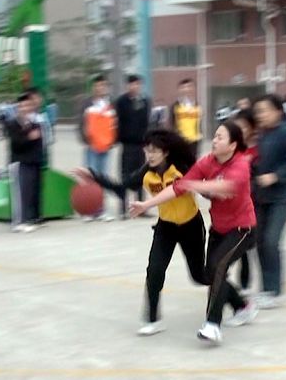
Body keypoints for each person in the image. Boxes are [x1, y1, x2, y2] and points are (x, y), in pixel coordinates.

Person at [130, 121, 258, 345]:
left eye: (220, 137)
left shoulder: (240, 164)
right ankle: (242, 306)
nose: (214, 140)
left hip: (242, 230)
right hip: (218, 229)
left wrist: (195, 185)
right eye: (214, 136)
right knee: (208, 274)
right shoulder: (208, 162)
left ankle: (212, 325)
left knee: (217, 267)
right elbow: (178, 187)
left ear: (232, 145)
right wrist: (146, 204)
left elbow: (227, 187)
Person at [73, 129, 207, 336]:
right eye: (147, 151)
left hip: (191, 226)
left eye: (154, 151)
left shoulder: (181, 167)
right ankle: (153, 320)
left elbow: (194, 187)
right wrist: (93, 175)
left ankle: (238, 302)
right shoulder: (147, 172)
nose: (150, 155)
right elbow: (121, 186)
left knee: (200, 276)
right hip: (166, 227)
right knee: (154, 271)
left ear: (165, 152)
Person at [253, 94, 286, 309]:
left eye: (264, 110)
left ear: (278, 111)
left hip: (281, 197)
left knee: (272, 241)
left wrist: (276, 176)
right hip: (261, 196)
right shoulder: (262, 134)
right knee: (260, 242)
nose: (260, 115)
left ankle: (275, 291)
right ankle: (266, 288)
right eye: (258, 111)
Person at [78, 74, 117, 222]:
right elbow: (81, 124)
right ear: (93, 88)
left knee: (103, 179)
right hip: (92, 148)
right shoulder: (87, 104)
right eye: (98, 85)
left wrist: (112, 141)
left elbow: (114, 124)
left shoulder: (110, 105)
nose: (100, 88)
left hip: (105, 148)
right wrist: (86, 139)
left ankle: (101, 210)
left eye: (103, 85)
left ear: (106, 87)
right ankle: (89, 211)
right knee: (90, 179)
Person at [6, 93, 44, 233]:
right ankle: (18, 222)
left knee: (29, 192)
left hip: (32, 162)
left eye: (27, 105)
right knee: (19, 193)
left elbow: (38, 143)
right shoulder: (13, 124)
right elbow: (16, 143)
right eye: (22, 106)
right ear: (18, 108)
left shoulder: (34, 123)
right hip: (19, 162)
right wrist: (29, 137)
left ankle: (28, 219)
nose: (25, 108)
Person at [115, 74, 151, 218]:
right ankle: (123, 209)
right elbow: (118, 122)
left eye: (137, 84)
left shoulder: (144, 101)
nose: (135, 87)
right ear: (127, 86)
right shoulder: (121, 102)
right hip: (127, 145)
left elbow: (146, 122)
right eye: (132, 84)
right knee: (125, 176)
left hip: (140, 145)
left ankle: (140, 208)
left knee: (141, 176)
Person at [232, 109, 258, 295]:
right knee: (240, 245)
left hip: (254, 203)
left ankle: (245, 284)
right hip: (235, 204)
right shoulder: (233, 149)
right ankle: (243, 283)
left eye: (244, 126)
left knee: (247, 246)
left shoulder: (258, 149)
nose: (241, 130)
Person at [170, 78, 202, 157]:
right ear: (179, 90)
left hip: (194, 140)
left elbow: (200, 123)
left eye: (189, 87)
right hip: (180, 140)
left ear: (193, 89)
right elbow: (172, 124)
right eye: (183, 87)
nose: (186, 89)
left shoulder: (198, 106)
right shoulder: (175, 106)